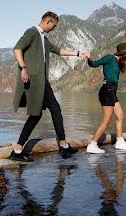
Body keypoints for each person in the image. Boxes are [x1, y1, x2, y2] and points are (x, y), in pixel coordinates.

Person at [10, 11, 89, 162]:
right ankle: (63, 146)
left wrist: (79, 53)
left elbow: (58, 50)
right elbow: (17, 49)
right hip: (34, 80)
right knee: (55, 109)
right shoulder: (32, 32)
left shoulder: (43, 39)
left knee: (37, 115)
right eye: (54, 25)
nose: (54, 28)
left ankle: (18, 150)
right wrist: (24, 68)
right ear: (48, 21)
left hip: (41, 81)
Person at [85, 42, 126, 154]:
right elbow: (94, 64)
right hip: (107, 90)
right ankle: (92, 144)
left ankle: (120, 142)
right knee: (106, 120)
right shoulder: (109, 58)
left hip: (111, 92)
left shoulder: (117, 62)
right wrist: (89, 58)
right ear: (124, 54)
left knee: (120, 115)